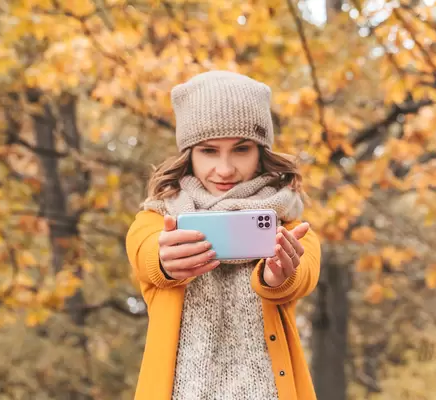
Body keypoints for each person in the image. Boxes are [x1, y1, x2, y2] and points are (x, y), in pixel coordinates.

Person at [125, 70, 321, 400]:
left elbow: (304, 274)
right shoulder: (157, 219)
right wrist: (166, 261)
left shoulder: (288, 224)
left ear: (261, 152)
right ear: (189, 154)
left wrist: (278, 277)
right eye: (209, 151)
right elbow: (143, 254)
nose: (225, 169)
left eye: (241, 149)